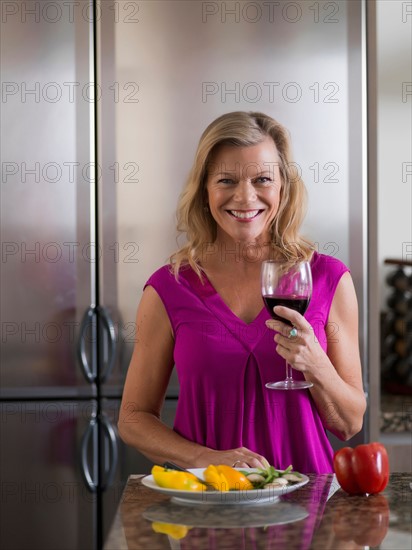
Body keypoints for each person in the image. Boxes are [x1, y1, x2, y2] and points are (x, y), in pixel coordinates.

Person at [118, 111, 366, 473]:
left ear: (284, 187)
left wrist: (316, 365)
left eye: (262, 179)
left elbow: (349, 424)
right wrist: (206, 459)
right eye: (226, 180)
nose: (245, 196)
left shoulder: (329, 279)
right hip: (208, 508)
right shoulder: (168, 288)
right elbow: (132, 418)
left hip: (309, 510)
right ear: (205, 189)